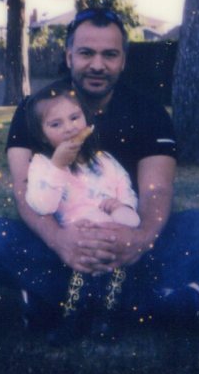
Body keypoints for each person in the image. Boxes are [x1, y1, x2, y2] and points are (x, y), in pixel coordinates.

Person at [0, 7, 199, 340]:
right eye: (86, 53)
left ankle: (56, 300)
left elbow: (157, 190)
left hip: (129, 238)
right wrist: (61, 241)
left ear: (123, 60)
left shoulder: (149, 112)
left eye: (109, 54)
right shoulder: (33, 110)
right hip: (61, 240)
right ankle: (149, 303)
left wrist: (139, 240)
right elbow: (24, 191)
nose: (97, 65)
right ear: (69, 56)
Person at [24, 80, 140, 340]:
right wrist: (57, 167)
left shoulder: (105, 161)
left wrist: (121, 208)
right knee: (77, 283)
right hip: (74, 245)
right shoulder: (42, 165)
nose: (69, 128)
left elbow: (127, 192)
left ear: (86, 120)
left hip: (111, 240)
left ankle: (107, 317)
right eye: (56, 124)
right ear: (42, 135)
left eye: (74, 118)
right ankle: (72, 319)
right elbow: (42, 204)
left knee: (116, 276)